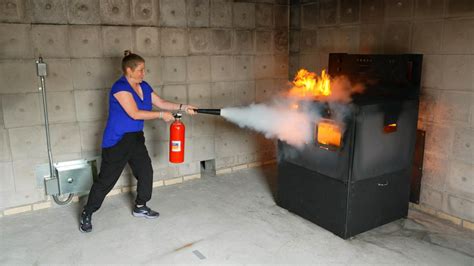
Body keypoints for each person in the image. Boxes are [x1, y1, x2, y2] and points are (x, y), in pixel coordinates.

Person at [79, 50, 197, 233]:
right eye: (141, 70)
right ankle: (87, 212)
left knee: (145, 172)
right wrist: (160, 115)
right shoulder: (120, 88)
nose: (144, 73)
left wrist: (183, 106)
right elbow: (134, 113)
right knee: (106, 181)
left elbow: (162, 103)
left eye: (144, 70)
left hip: (135, 138)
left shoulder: (144, 86)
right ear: (129, 70)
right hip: (116, 141)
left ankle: (140, 206)